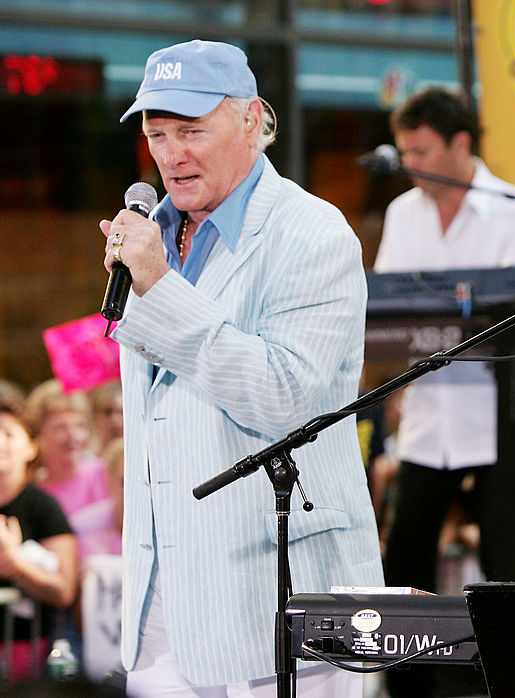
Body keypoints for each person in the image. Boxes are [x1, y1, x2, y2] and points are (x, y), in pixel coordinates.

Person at [98, 40, 382, 696]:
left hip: (279, 612)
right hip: (164, 616)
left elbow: (286, 398)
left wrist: (160, 288)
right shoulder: (150, 239)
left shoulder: (314, 234)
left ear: (252, 119)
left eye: (192, 130)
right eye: (157, 133)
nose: (171, 153)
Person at [372, 85, 515, 696]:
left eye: (420, 149)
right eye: (404, 150)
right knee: (404, 566)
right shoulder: (402, 214)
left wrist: (450, 309)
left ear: (461, 144)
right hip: (428, 417)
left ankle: (513, 685)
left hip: (501, 418)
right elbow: (393, 311)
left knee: (509, 578)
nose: (410, 162)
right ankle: (407, 689)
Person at [0, 391, 78, 682]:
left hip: (31, 656)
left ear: (31, 447)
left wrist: (15, 563)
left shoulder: (44, 506)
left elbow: (64, 591)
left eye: (8, 434)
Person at [23, 380, 110, 525]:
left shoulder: (106, 474)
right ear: (39, 434)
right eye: (60, 428)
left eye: (80, 426)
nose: (73, 436)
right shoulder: (31, 489)